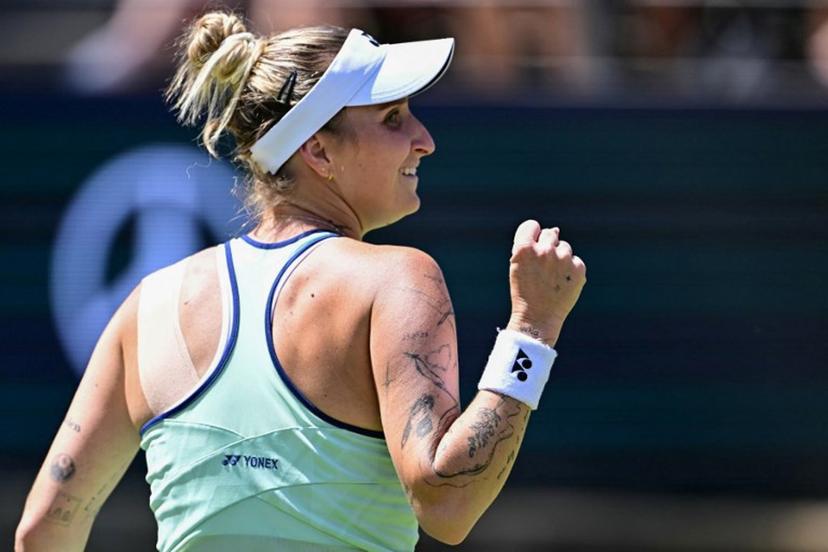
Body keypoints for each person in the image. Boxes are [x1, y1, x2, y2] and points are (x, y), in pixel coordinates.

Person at [16, 10, 586, 551]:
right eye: (392, 118)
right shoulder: (398, 278)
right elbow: (448, 504)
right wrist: (532, 330)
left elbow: (42, 530)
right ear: (317, 150)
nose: (424, 139)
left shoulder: (147, 305)